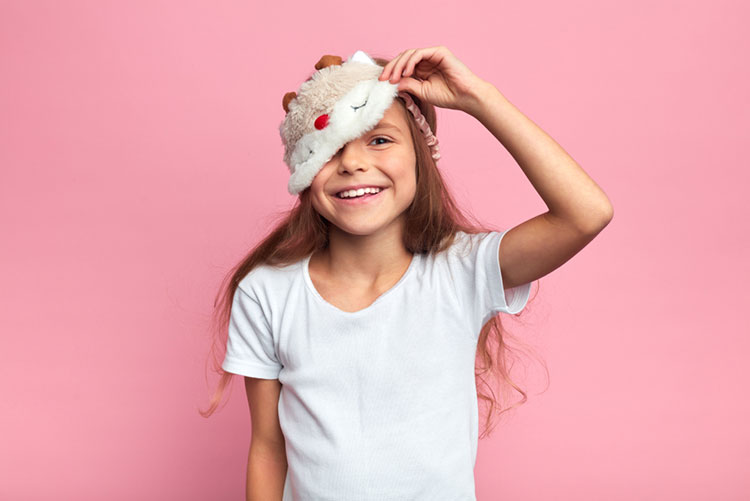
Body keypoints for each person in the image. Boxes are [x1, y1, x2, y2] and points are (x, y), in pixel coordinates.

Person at [200, 46, 613, 500]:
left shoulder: (462, 269)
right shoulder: (267, 291)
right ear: (305, 170)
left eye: (379, 139)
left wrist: (480, 98)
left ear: (422, 155)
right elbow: (267, 446)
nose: (352, 163)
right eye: (330, 147)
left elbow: (586, 213)